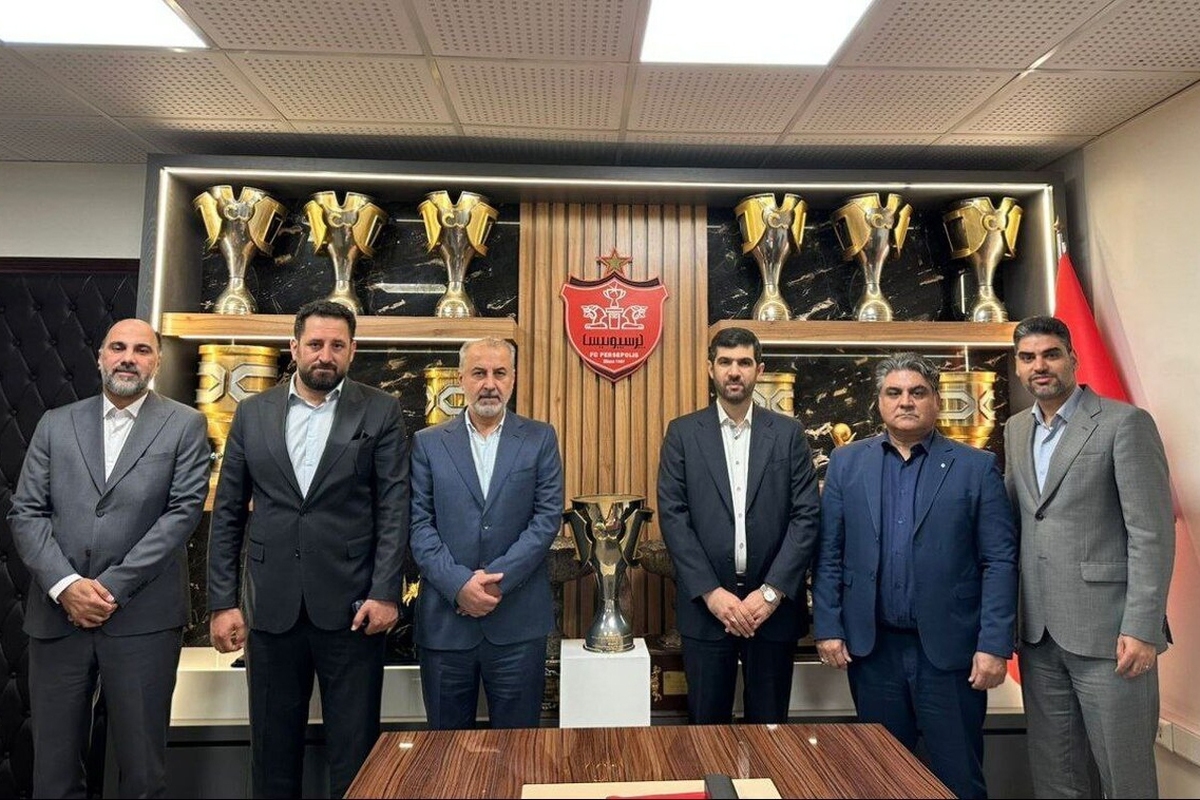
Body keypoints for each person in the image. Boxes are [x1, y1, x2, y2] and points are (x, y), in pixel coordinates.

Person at [207, 299, 410, 799]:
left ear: (352, 351)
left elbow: (393, 508)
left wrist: (385, 593)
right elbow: (228, 512)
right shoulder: (252, 413)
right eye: (315, 344)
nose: (325, 355)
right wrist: (222, 603)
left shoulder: (380, 410)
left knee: (355, 757)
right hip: (269, 608)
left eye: (337, 345)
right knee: (271, 755)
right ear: (293, 347)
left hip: (354, 610)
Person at [8, 318, 210, 798]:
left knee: (142, 774)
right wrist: (67, 587)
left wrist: (109, 589)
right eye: (118, 348)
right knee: (53, 776)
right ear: (100, 356)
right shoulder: (55, 423)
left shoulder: (186, 424)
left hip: (143, 620)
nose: (128, 359)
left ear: (157, 362)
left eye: (142, 350)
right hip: (58, 617)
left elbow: (181, 515)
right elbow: (26, 512)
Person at [812, 352, 1017, 800]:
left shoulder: (976, 467)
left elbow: (999, 561)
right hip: (873, 652)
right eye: (895, 392)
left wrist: (994, 644)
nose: (906, 401)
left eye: (917, 392)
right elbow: (829, 553)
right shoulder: (847, 463)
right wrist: (828, 626)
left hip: (950, 654)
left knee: (958, 779)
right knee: (880, 779)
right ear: (879, 402)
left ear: (936, 401)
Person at [1005, 316, 1174, 799]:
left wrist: (1142, 627)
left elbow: (1151, 533)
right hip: (1038, 636)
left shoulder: (1125, 423)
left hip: (1111, 637)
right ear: (1018, 367)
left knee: (1125, 777)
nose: (1040, 366)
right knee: (1057, 777)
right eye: (1028, 357)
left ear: (1073, 359)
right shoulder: (1016, 429)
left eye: (1051, 354)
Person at [656, 326, 820, 724]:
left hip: (773, 610)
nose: (734, 371)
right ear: (710, 368)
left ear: (759, 370)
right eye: (725, 362)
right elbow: (674, 517)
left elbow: (806, 515)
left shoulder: (788, 434)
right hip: (707, 610)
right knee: (707, 729)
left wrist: (771, 593)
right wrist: (712, 594)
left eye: (744, 362)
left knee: (770, 729)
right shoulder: (683, 433)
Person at [409, 336, 564, 729]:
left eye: (499, 373)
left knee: (518, 749)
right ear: (461, 378)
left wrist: (495, 582)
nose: (489, 384)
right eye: (479, 373)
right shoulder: (427, 443)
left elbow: (546, 519)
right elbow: (418, 524)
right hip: (446, 625)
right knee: (446, 750)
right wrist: (459, 585)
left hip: (517, 624)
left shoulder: (540, 438)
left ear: (513, 379)